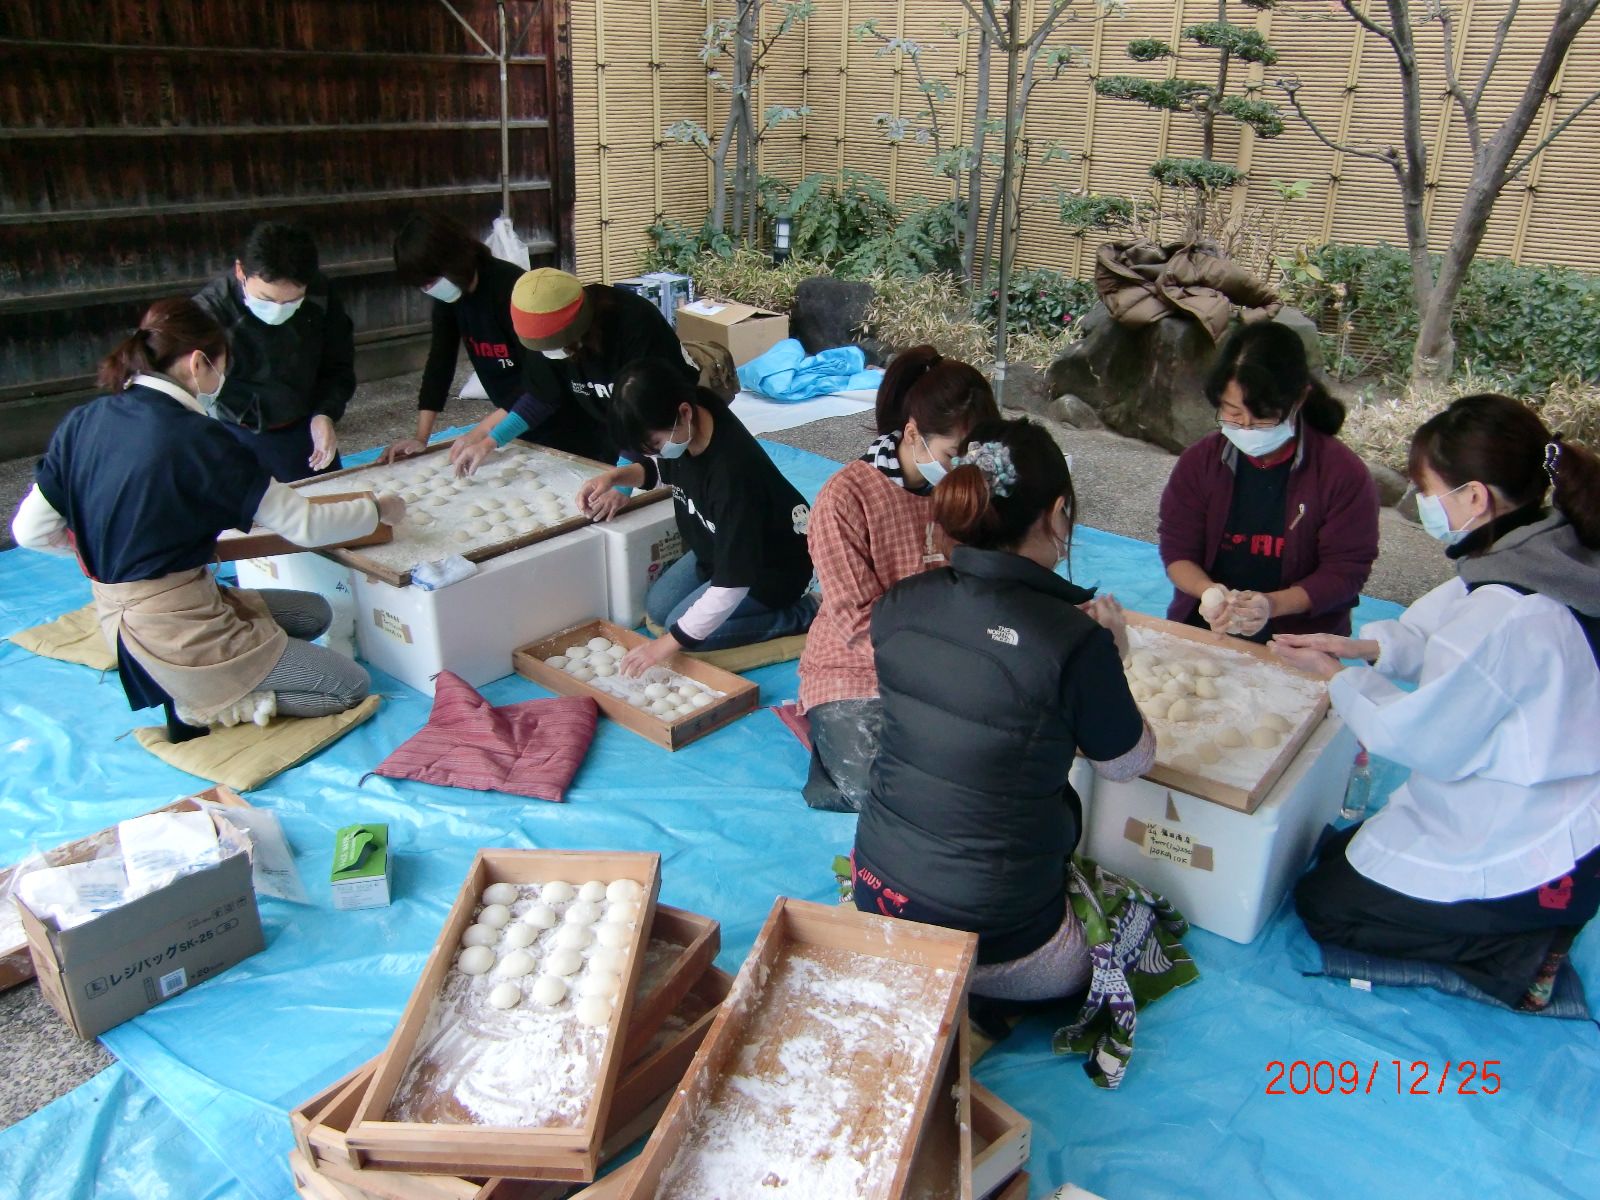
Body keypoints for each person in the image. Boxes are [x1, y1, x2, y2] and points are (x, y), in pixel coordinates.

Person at [1276, 394, 1600, 1011]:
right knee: (1347, 850)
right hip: (1540, 795)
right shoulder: (1546, 550)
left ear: (1474, 497)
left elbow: (1420, 736)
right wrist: (1363, 646)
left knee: (1325, 904)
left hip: (1538, 833)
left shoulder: (1512, 611)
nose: (1423, 504)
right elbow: (1442, 639)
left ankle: (1519, 956)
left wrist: (1336, 676)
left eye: (1428, 489)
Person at [852, 417, 1164, 1005]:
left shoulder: (898, 604)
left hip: (880, 893)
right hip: (998, 942)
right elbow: (1128, 764)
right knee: (1132, 918)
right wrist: (1112, 659)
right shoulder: (1073, 642)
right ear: (1056, 513)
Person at [10, 299, 396, 739]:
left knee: (315, 614)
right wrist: (378, 511)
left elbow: (30, 531)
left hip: (129, 618)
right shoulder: (200, 439)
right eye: (222, 366)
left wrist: (107, 552)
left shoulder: (84, 419)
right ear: (198, 363)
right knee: (348, 685)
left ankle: (208, 677)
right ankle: (212, 701)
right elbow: (306, 526)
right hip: (178, 633)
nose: (221, 379)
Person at [797, 346, 1000, 812]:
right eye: (953, 455)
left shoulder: (966, 491)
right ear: (912, 434)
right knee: (892, 798)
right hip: (858, 668)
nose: (964, 470)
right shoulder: (846, 498)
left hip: (948, 660)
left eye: (976, 458)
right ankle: (830, 755)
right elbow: (855, 622)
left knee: (982, 775)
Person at [575, 358, 817, 665]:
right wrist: (613, 477)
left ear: (684, 413)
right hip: (716, 545)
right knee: (660, 608)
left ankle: (801, 614)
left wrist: (664, 646)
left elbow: (734, 582)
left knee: (686, 636)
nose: (654, 452)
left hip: (771, 567)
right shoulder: (692, 417)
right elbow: (665, 468)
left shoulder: (732, 474)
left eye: (654, 443)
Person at [1159, 322, 1379, 642]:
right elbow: (1177, 550)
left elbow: (1345, 572)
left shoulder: (1341, 474)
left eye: (1262, 416)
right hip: (1209, 630)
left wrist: (1271, 605)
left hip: (1299, 642)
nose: (1246, 427)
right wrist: (1208, 593)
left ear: (1299, 400)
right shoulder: (1200, 463)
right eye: (1232, 412)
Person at [444, 267, 700, 477]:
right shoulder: (545, 333)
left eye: (559, 346)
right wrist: (490, 441)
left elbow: (646, 416)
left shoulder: (635, 325)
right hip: (611, 427)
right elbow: (541, 396)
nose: (553, 354)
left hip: (665, 430)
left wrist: (622, 480)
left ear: (581, 331)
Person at [193, 221, 355, 481]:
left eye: (292, 301)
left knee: (329, 499)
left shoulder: (320, 295)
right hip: (238, 430)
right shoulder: (211, 314)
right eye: (267, 300)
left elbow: (339, 363)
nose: (279, 309)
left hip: (305, 425)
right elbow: (191, 391)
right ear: (240, 271)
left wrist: (325, 412)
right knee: (256, 512)